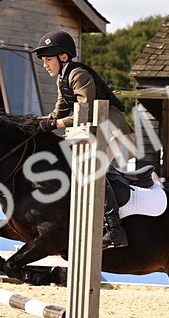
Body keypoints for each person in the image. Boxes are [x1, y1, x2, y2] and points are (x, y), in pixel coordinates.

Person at [32, 29, 133, 249]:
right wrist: (34, 123)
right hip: (100, 131)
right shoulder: (63, 78)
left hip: (116, 132)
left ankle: (115, 231)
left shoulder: (78, 74)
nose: (45, 65)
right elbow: (58, 111)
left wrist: (54, 124)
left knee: (93, 172)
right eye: (43, 61)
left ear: (63, 57)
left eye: (48, 59)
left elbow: (83, 114)